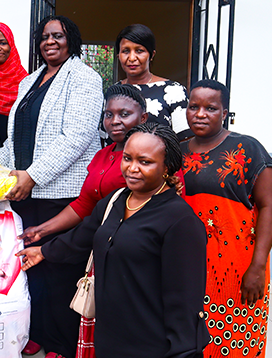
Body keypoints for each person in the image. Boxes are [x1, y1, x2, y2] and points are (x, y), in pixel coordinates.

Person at [17, 122, 209, 358]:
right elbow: (80, 238)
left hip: (151, 343)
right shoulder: (116, 201)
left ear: (167, 168)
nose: (132, 168)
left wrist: (184, 352)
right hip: (109, 335)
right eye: (127, 158)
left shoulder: (180, 221)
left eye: (145, 162)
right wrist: (43, 252)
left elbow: (185, 302)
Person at [0, 15, 103, 358]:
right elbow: (18, 138)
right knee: (30, 267)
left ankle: (61, 343)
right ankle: (35, 333)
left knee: (59, 270)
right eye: (45, 36)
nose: (51, 42)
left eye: (59, 36)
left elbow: (76, 137)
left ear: (71, 40)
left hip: (61, 191)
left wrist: (32, 175)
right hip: (26, 192)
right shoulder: (31, 80)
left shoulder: (83, 77)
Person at [17, 84, 148, 358]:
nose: (115, 121)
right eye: (109, 115)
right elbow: (84, 205)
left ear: (143, 118)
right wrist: (41, 231)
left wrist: (48, 247)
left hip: (129, 250)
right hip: (98, 241)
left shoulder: (150, 158)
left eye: (124, 114)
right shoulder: (104, 154)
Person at [180, 79, 272, 358]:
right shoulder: (178, 147)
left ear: (225, 113)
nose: (200, 114)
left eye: (210, 108)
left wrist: (257, 266)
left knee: (232, 336)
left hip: (235, 265)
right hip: (185, 260)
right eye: (193, 107)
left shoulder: (248, 148)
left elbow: (269, 207)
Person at [115, 24, 191, 138]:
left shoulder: (174, 92)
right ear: (118, 56)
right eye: (125, 51)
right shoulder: (114, 91)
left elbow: (185, 140)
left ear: (151, 55)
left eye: (139, 51)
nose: (131, 58)